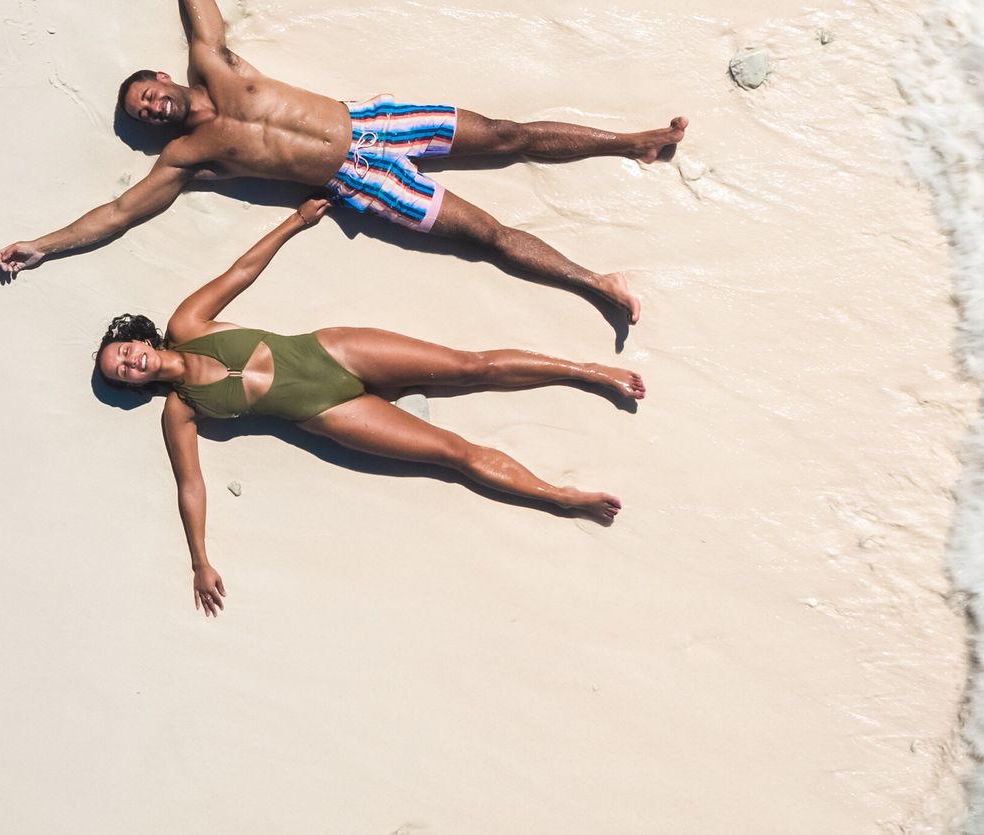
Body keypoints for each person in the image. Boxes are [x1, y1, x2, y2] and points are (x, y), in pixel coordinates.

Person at [0, 0, 685, 323]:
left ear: (162, 76)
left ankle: (635, 143)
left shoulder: (213, 59)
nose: (149, 107)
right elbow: (117, 213)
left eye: (145, 93)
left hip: (378, 123)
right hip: (360, 180)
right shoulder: (187, 160)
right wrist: (43, 245)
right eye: (141, 114)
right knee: (487, 237)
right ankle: (601, 286)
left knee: (507, 135)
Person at [95, 197, 640, 616]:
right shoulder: (181, 412)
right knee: (454, 454)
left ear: (137, 339)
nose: (129, 363)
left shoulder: (187, 325)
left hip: (331, 350)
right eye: (121, 372)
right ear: (132, 384)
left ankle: (590, 372)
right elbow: (191, 484)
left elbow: (239, 273)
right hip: (327, 413)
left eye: (124, 352)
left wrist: (294, 222)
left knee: (467, 366)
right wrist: (200, 560)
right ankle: (562, 496)